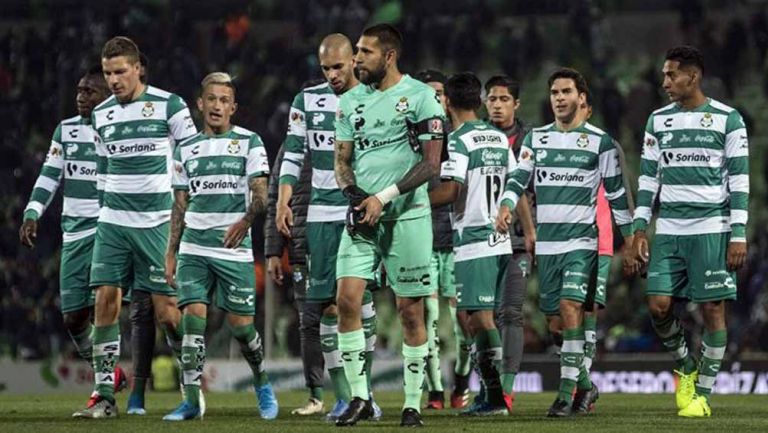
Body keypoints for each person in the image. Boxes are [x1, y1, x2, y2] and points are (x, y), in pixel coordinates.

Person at [72, 36, 198, 418]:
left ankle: (191, 385)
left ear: (138, 68)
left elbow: (194, 155)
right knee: (104, 302)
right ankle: (104, 396)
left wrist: (188, 214)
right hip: (113, 221)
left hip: (157, 222)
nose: (113, 81)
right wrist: (99, 215)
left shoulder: (169, 104)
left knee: (168, 314)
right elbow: (102, 171)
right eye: (108, 73)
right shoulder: (103, 114)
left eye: (120, 72)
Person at [496, 67, 633, 417]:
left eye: (566, 92)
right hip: (548, 245)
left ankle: (565, 394)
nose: (559, 98)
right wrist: (507, 205)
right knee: (556, 325)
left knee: (574, 310)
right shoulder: (536, 140)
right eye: (555, 92)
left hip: (582, 243)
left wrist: (631, 238)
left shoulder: (600, 142)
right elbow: (517, 179)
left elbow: (617, 195)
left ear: (581, 98)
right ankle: (586, 386)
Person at [333, 24, 445, 427]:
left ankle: (412, 403)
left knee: (410, 312)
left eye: (364, 52)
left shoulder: (421, 97)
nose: (356, 59)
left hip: (408, 216)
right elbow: (342, 162)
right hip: (365, 215)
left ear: (390, 56)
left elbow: (431, 165)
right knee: (346, 299)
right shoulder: (349, 102)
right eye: (357, 52)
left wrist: (383, 197)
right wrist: (354, 195)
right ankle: (360, 399)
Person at [632, 46, 749, 418]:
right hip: (668, 228)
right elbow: (648, 178)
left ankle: (703, 395)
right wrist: (639, 227)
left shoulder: (728, 119)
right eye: (665, 75)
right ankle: (686, 364)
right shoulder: (657, 120)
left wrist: (738, 232)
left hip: (712, 227)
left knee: (713, 310)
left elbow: (740, 180)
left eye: (671, 75)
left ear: (692, 77)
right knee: (658, 305)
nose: (665, 82)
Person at [276, 35, 381, 421]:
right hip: (320, 213)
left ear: (354, 60)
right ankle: (345, 396)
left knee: (359, 302)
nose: (333, 75)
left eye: (339, 66)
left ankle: (364, 392)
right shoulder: (307, 101)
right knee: (326, 306)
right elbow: (292, 152)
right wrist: (284, 199)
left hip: (359, 210)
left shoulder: (374, 98)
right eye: (326, 69)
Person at [162, 72, 278, 421]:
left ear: (233, 107)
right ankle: (192, 401)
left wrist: (245, 222)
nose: (216, 106)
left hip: (232, 250)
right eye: (211, 99)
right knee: (192, 320)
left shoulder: (250, 142)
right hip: (194, 247)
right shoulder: (185, 149)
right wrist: (171, 252)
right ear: (200, 104)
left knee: (242, 327)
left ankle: (261, 381)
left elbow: (261, 195)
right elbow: (179, 204)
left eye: (223, 100)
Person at [19, 67, 127, 406]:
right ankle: (110, 374)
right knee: (73, 317)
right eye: (79, 90)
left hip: (109, 228)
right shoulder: (65, 131)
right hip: (74, 233)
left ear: (106, 96)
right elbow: (50, 175)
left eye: (89, 91)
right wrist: (32, 211)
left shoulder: (121, 130)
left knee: (105, 304)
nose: (81, 96)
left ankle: (103, 388)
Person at [430, 72, 517, 416]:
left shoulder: (460, 140)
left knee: (480, 319)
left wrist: (415, 200)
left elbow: (452, 190)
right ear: (480, 101)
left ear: (447, 103)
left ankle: (496, 399)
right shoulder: (497, 137)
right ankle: (488, 393)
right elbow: (513, 179)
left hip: (476, 238)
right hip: (499, 239)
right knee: (469, 317)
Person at [483, 75, 536, 409]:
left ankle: (506, 388)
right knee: (477, 315)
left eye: (504, 99)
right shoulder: (475, 137)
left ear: (516, 104)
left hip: (517, 239)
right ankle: (485, 385)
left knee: (511, 313)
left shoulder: (533, 139)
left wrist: (531, 231)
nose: (497, 105)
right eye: (492, 99)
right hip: (480, 238)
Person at [265, 82, 315, 416]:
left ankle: (359, 393)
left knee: (350, 313)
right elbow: (274, 201)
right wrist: (272, 250)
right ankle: (316, 395)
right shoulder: (290, 150)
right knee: (308, 321)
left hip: (346, 238)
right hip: (301, 243)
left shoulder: (352, 137)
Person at [413, 69, 461, 410]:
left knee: (462, 324)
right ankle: (434, 390)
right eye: (428, 92)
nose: (436, 98)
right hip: (423, 240)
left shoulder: (461, 140)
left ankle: (461, 384)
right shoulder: (410, 144)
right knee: (427, 317)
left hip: (459, 241)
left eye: (440, 92)